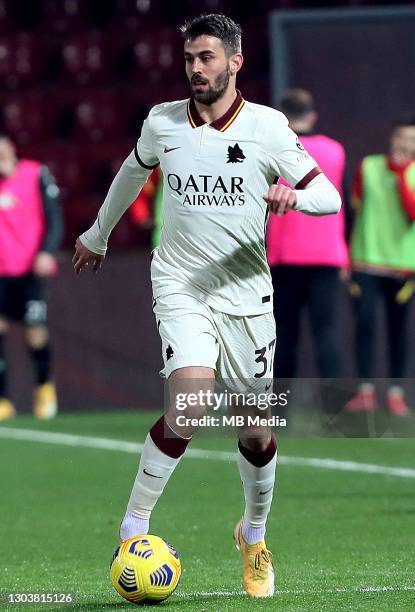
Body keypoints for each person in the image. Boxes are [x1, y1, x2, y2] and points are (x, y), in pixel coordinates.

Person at [73, 14, 340, 598]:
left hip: (247, 294)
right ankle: (133, 526)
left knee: (257, 432)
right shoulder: (162, 122)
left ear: (235, 62)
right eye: (190, 58)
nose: (196, 68)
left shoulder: (268, 128)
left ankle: (254, 533)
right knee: (190, 404)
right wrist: (98, 233)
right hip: (182, 284)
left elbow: (330, 195)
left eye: (208, 58)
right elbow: (131, 173)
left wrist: (294, 196)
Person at [267, 89, 348, 384]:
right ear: (312, 115)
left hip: (284, 256)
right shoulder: (335, 150)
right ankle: (335, 413)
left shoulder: (274, 148)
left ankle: (279, 409)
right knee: (326, 331)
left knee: (284, 333)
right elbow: (344, 205)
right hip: (327, 257)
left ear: (282, 117)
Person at [345, 116, 415, 416]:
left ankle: (396, 392)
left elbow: (412, 213)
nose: (405, 144)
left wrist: (400, 175)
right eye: (401, 137)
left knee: (398, 330)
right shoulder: (369, 166)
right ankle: (365, 391)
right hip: (365, 262)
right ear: (392, 138)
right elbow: (353, 208)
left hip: (402, 266)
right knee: (365, 325)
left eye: (411, 139)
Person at [0, 134, 63, 420]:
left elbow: (54, 217)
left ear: (12, 150)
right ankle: (3, 400)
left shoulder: (35, 174)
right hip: (2, 270)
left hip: (29, 269)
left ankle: (44, 389)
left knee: (35, 330)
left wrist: (47, 251)